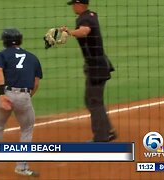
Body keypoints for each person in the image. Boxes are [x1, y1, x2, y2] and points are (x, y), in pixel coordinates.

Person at [0, 28, 42, 177]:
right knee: (26, 130)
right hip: (24, 96)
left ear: (5, 42)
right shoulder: (32, 57)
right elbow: (36, 83)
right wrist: (26, 97)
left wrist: (3, 94)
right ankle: (21, 167)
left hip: (6, 94)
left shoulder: (2, 55)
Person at [61, 0, 117, 142]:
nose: (73, 6)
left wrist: (70, 32)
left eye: (74, 4)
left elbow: (85, 31)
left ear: (80, 4)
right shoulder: (91, 15)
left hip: (96, 67)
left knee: (93, 101)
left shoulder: (85, 18)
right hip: (97, 65)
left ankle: (102, 136)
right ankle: (107, 131)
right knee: (92, 100)